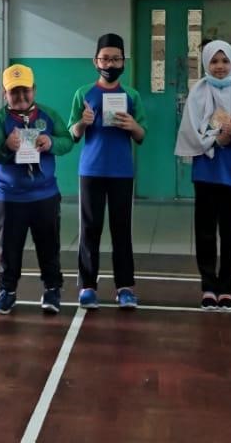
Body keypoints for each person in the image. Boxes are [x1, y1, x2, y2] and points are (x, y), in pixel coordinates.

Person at [174, 41, 231, 311]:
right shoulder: (198, 92)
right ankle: (208, 286)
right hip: (206, 171)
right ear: (206, 64)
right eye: (214, 61)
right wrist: (215, 138)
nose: (220, 67)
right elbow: (190, 130)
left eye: (225, 61)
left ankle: (226, 288)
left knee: (229, 232)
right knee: (205, 232)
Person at [0, 64, 74, 315]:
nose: (21, 97)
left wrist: (51, 142)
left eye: (26, 91)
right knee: (9, 247)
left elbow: (67, 141)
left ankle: (52, 289)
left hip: (44, 194)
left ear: (34, 90)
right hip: (9, 196)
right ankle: (7, 290)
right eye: (14, 92)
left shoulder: (48, 115)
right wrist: (5, 146)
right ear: (5, 93)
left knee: (49, 245)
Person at [68, 33, 147, 310]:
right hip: (91, 170)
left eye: (116, 59)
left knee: (121, 230)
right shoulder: (83, 93)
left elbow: (141, 135)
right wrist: (83, 122)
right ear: (95, 61)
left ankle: (125, 287)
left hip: (122, 171)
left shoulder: (132, 95)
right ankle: (88, 286)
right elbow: (73, 134)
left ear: (124, 61)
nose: (110, 64)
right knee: (89, 229)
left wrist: (131, 125)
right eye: (105, 58)